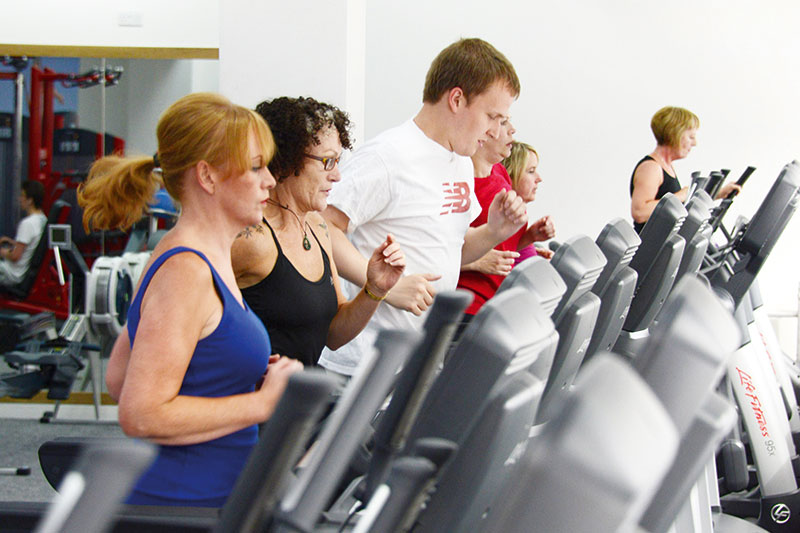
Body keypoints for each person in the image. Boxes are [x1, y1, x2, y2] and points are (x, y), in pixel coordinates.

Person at [78, 92, 303, 507]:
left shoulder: (188, 254)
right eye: (256, 167)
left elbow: (120, 377)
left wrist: (233, 375)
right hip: (184, 504)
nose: (270, 180)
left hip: (212, 495)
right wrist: (260, 403)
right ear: (208, 176)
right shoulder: (187, 270)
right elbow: (139, 412)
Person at [319, 37, 528, 377]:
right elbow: (323, 227)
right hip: (364, 364)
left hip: (417, 358)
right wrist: (383, 289)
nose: (495, 131)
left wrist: (494, 231)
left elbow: (449, 249)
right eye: (492, 116)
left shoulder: (459, 159)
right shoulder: (388, 156)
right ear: (457, 99)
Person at [230, 97, 405, 368]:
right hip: (255, 404)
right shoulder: (251, 239)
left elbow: (333, 335)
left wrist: (374, 289)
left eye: (337, 161)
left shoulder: (317, 226)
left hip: (298, 401)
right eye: (328, 161)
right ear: (288, 160)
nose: (337, 175)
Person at [457, 124, 556, 321]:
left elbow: (500, 248)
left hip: (492, 304)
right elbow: (434, 251)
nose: (512, 129)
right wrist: (475, 262)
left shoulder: (499, 173)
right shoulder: (462, 185)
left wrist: (529, 237)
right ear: (484, 133)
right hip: (467, 308)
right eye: (501, 122)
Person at [630, 106, 740, 233]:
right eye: (691, 137)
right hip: (649, 248)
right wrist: (681, 196)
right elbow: (640, 212)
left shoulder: (667, 166)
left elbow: (674, 208)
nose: (694, 143)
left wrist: (718, 193)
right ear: (675, 134)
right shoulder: (651, 168)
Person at [502, 140, 555, 263]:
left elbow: (510, 249)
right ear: (510, 174)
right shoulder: (503, 218)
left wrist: (531, 247)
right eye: (531, 171)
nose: (539, 179)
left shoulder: (519, 215)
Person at [0, 180, 47, 286]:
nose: (19, 199)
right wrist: (13, 243)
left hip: (12, 274)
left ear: (30, 200)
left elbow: (14, 256)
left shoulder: (27, 224)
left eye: (22, 196)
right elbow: (29, 245)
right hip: (21, 271)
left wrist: (2, 251)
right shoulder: (42, 220)